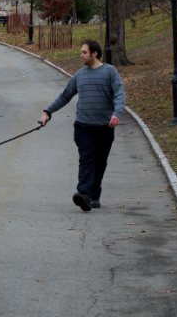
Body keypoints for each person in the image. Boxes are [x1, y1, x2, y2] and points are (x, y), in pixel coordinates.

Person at [39, 40, 126, 212]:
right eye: (81, 52)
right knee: (86, 161)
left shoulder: (110, 72)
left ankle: (94, 195)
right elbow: (65, 96)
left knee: (99, 162)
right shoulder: (79, 75)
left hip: (104, 126)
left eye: (84, 52)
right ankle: (84, 194)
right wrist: (48, 112)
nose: (81, 55)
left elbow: (119, 94)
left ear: (94, 53)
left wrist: (116, 114)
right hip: (83, 126)